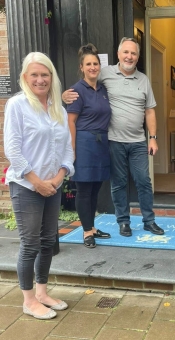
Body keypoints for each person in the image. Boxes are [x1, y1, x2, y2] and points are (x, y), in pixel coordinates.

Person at [63, 37, 164, 237]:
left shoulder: (143, 79)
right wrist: (63, 95)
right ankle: (123, 222)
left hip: (137, 141)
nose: (129, 56)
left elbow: (150, 111)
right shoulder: (105, 73)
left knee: (143, 180)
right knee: (118, 182)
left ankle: (149, 221)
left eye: (133, 53)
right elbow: (84, 84)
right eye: (125, 52)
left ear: (138, 56)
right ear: (118, 54)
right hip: (113, 140)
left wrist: (153, 137)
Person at [4, 52, 75, 319]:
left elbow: (67, 149)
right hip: (26, 186)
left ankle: (43, 293)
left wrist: (58, 178)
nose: (40, 79)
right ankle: (28, 300)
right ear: (25, 77)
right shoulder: (17, 105)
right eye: (34, 74)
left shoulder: (58, 108)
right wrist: (36, 182)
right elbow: (12, 148)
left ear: (52, 77)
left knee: (48, 241)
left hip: (53, 186)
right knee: (30, 243)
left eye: (45, 74)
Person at [66, 44, 112, 249]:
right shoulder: (77, 90)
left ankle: (92, 227)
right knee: (84, 190)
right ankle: (86, 232)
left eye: (95, 63)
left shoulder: (102, 89)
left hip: (101, 144)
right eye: (88, 64)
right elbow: (70, 122)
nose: (93, 67)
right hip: (84, 144)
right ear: (82, 67)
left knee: (95, 189)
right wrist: (72, 151)